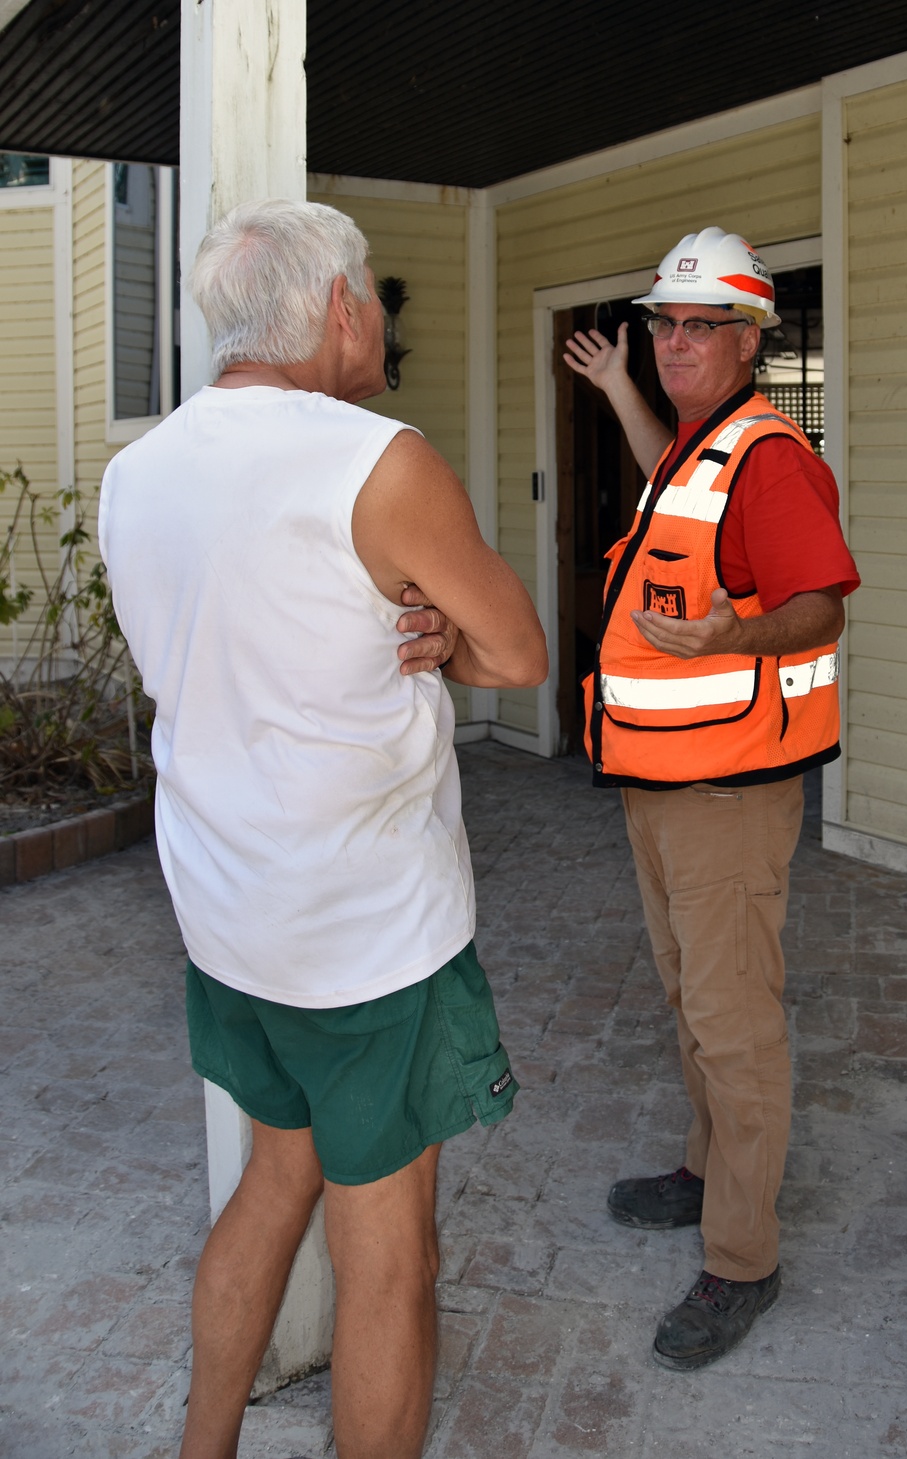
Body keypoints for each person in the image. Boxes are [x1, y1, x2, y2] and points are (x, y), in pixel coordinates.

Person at [99, 198, 547, 1459]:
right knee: (389, 1262)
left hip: (231, 925)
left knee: (273, 1178)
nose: (382, 327)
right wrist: (449, 639)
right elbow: (518, 648)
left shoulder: (137, 473)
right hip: (366, 944)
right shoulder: (373, 458)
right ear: (341, 310)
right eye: (377, 303)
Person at [564, 226, 858, 1372]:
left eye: (700, 328)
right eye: (664, 325)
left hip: (727, 790)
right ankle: (703, 1168)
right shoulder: (701, 444)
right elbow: (665, 481)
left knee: (733, 1019)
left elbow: (821, 604)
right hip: (659, 775)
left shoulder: (769, 457)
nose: (677, 342)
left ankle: (743, 1257)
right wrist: (621, 390)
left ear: (747, 340)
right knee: (692, 991)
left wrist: (738, 630)